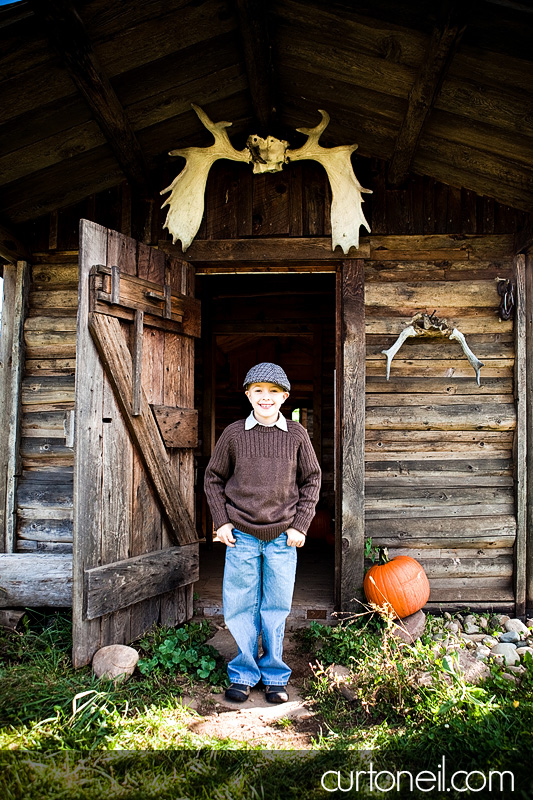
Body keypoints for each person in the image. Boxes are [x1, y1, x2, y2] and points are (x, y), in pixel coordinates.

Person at [204, 362, 321, 704]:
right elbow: (213, 478)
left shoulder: (297, 435)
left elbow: (312, 480)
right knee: (240, 604)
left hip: (284, 536)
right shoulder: (234, 434)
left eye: (273, 392)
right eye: (258, 391)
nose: (265, 398)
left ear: (284, 397)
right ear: (248, 395)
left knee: (275, 606)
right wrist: (221, 521)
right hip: (241, 534)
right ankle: (242, 673)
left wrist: (301, 525)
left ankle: (273, 675)